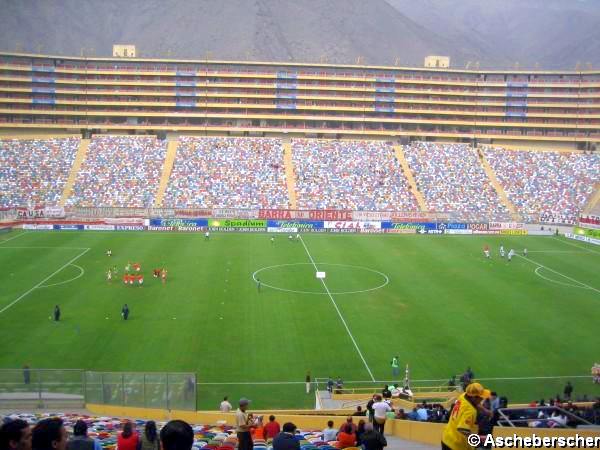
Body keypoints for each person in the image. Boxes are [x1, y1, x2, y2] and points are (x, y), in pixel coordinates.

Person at [441, 382, 491, 450]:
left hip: (447, 437)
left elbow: (475, 403)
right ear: (473, 397)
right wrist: (479, 438)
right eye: (481, 398)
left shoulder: (463, 396)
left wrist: (485, 410)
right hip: (455, 445)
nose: (482, 399)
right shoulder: (470, 411)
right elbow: (462, 429)